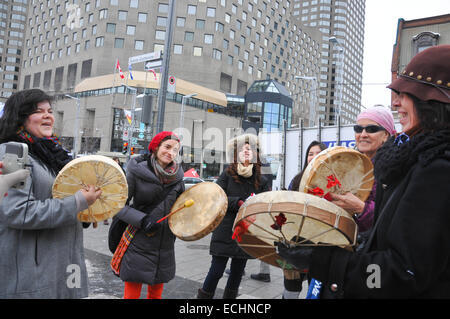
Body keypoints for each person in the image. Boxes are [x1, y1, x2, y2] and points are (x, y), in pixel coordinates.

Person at [276, 44, 450, 298]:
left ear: (432, 103)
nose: (397, 103)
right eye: (359, 129)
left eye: (406, 94)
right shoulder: (416, 162)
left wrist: (323, 260)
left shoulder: (438, 170)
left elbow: (401, 275)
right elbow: (386, 244)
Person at [0, 89, 102, 298]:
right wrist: (77, 202)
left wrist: (85, 211)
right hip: (32, 273)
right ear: (20, 117)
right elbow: (17, 212)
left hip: (61, 267)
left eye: (50, 110)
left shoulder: (52, 155)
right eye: (38, 111)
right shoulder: (12, 153)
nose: (48, 115)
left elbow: (57, 198)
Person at [197, 133, 271, 299]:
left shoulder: (262, 180)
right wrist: (237, 202)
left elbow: (267, 202)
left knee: (237, 274)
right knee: (216, 270)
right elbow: (216, 196)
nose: (246, 151)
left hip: (246, 231)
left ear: (256, 154)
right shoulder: (227, 174)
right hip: (225, 229)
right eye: (242, 149)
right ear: (236, 153)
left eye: (250, 149)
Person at [112, 131, 184, 299]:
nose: (171, 153)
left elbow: (181, 207)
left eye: (175, 150)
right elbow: (117, 205)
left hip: (164, 243)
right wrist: (142, 220)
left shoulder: (179, 178)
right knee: (132, 293)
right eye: (167, 147)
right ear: (156, 147)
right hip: (139, 239)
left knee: (155, 294)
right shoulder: (136, 171)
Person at [329, 106, 396, 233]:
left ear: (386, 135)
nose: (363, 135)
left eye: (372, 129)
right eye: (358, 129)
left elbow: (396, 216)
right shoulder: (350, 167)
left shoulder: (396, 167)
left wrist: (361, 209)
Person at [283, 141, 327, 299]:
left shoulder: (333, 181)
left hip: (322, 245)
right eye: (310, 153)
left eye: (318, 153)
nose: (314, 157)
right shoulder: (297, 180)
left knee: (315, 290)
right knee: (291, 289)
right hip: (296, 242)